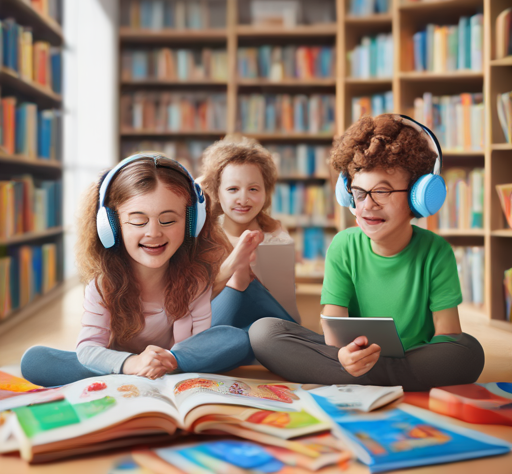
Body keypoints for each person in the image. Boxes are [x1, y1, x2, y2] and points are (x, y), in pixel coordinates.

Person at [249, 114, 485, 392]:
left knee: (467, 351)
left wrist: (348, 365)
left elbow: (447, 335)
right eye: (359, 193)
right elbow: (333, 330)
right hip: (351, 356)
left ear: (417, 197)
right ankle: (372, 375)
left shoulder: (436, 251)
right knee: (263, 333)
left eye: (381, 192)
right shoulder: (343, 245)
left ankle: (362, 377)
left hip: (415, 357)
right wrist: (344, 357)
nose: (367, 205)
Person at [21, 154, 254, 386]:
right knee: (35, 361)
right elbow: (89, 348)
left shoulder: (196, 280)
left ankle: (141, 370)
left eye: (168, 220)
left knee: (236, 339)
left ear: (192, 223)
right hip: (122, 362)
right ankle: (121, 370)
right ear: (110, 225)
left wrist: (171, 359)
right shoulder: (103, 285)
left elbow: (198, 343)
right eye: (138, 221)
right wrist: (133, 363)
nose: (153, 233)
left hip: (172, 364)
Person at [200, 138, 301, 329]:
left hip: (268, 328)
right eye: (233, 189)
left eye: (253, 189)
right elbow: (193, 305)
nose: (243, 199)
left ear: (265, 193)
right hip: (218, 328)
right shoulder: (203, 236)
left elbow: (285, 299)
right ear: (217, 193)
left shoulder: (276, 234)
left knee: (262, 332)